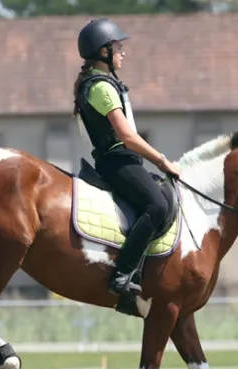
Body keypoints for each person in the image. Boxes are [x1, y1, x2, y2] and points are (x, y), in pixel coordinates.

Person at [72, 18, 181, 313]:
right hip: (116, 161)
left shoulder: (103, 83)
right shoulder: (101, 88)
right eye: (118, 46)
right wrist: (162, 160)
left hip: (121, 160)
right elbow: (127, 136)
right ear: (103, 51)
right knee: (157, 207)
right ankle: (123, 274)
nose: (123, 51)